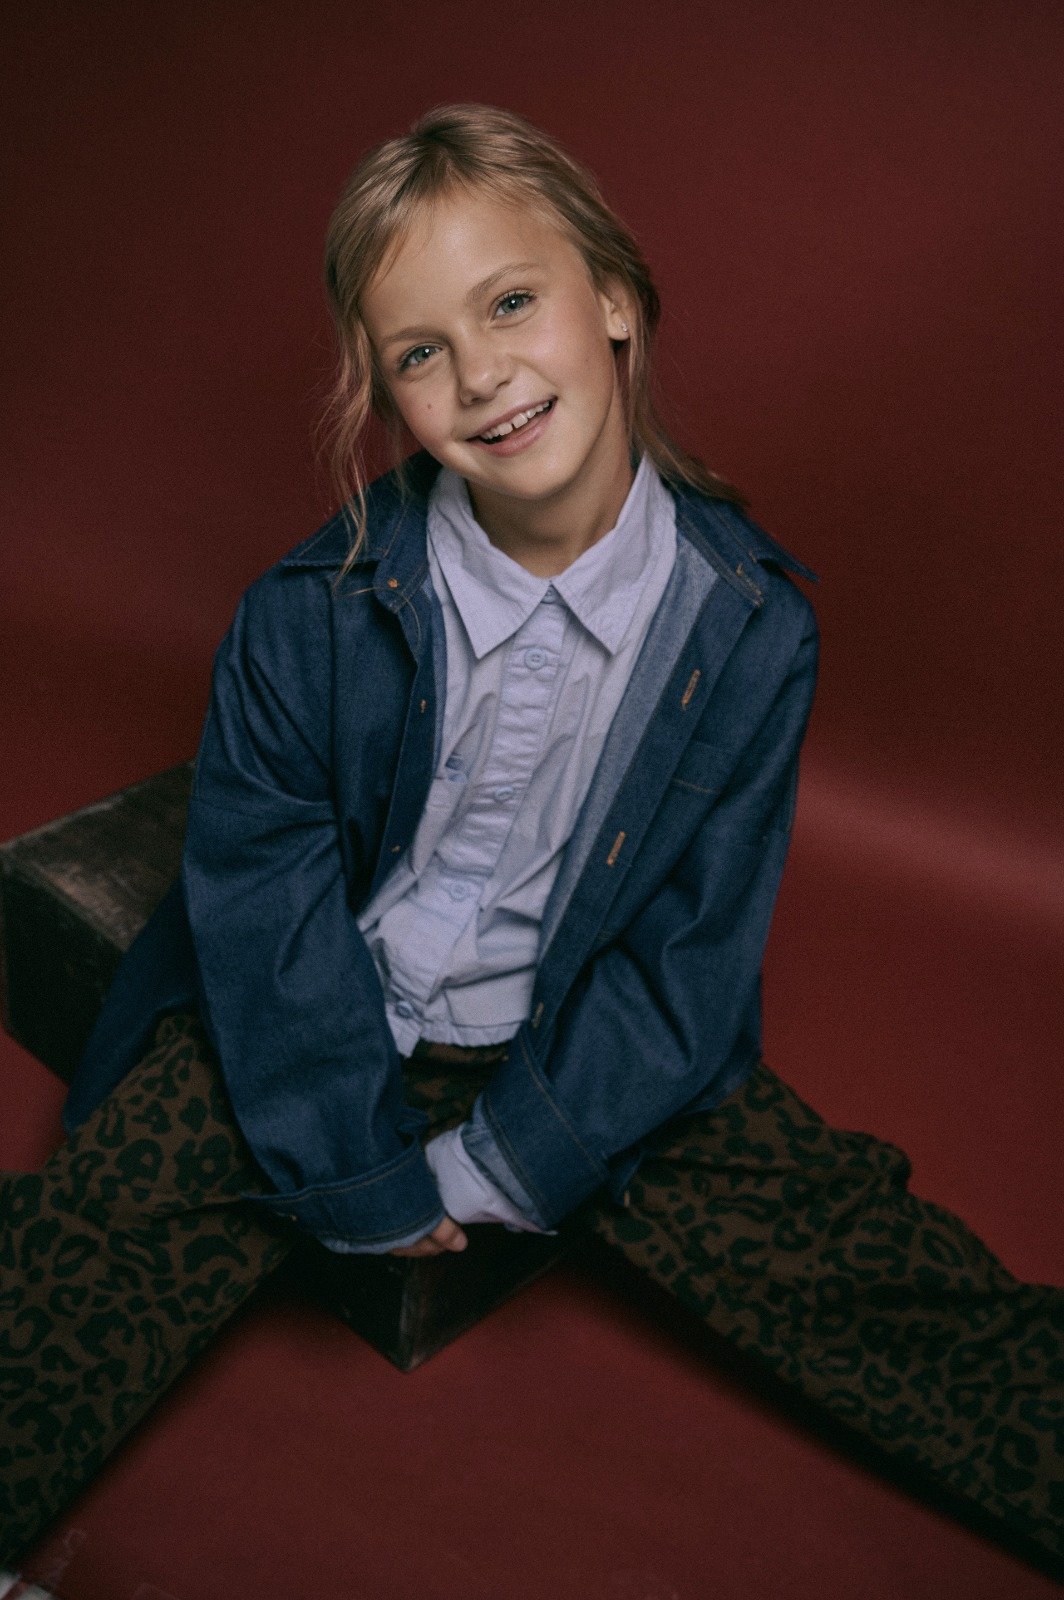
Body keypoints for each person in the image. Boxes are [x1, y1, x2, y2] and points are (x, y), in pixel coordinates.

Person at [1, 102, 1061, 1574]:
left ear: (614, 300)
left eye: (511, 304)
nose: (482, 374)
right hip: (318, 1019)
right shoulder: (308, 616)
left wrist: (504, 1164)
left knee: (878, 1271)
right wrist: (358, 1175)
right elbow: (263, 908)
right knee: (74, 1262)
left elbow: (688, 959)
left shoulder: (750, 630)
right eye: (418, 352)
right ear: (385, 393)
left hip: (576, 1041)